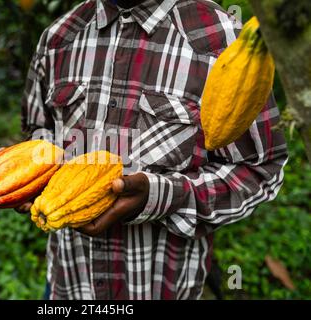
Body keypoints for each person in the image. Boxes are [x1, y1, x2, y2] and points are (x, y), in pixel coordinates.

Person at [15, 0, 288, 299]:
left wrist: (163, 196)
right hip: (70, 282)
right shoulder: (58, 38)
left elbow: (259, 170)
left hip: (163, 286)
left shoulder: (222, 38)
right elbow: (39, 135)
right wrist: (27, 178)